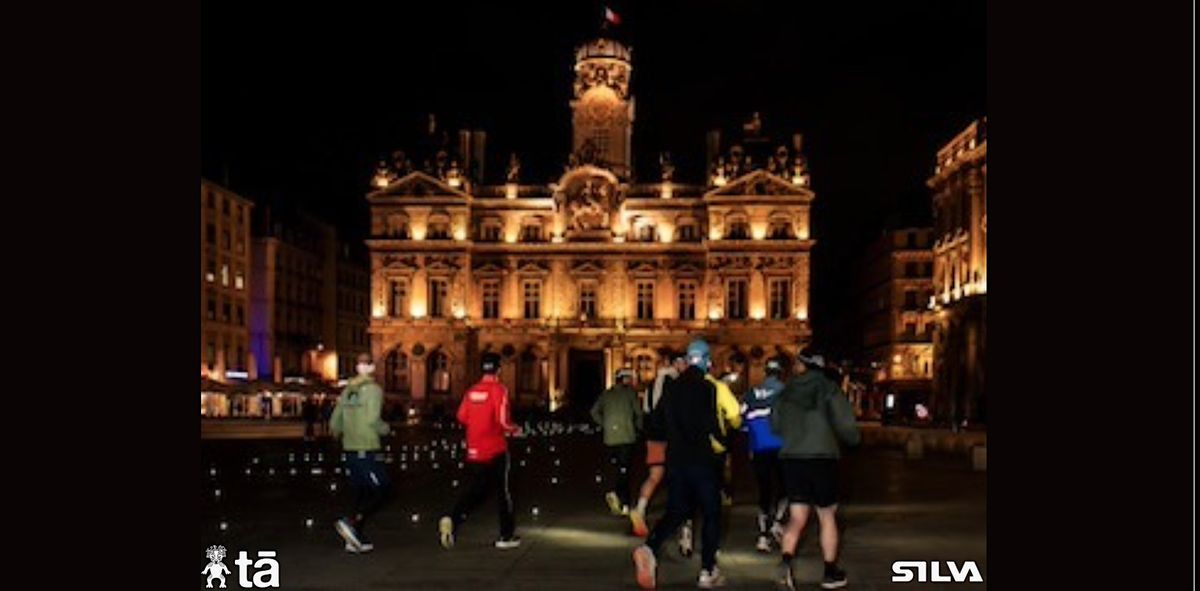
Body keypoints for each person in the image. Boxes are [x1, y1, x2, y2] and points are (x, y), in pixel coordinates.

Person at [632, 339, 739, 589]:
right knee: (711, 513)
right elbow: (716, 424)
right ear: (707, 362)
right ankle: (707, 570)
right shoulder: (709, 387)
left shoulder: (672, 388)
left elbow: (657, 422)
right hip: (703, 460)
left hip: (676, 460)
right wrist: (723, 444)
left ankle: (650, 547)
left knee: (676, 511)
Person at [771, 349, 861, 590]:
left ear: (802, 365)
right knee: (826, 515)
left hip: (792, 459)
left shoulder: (786, 391)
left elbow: (775, 425)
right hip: (823, 458)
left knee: (797, 516)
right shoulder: (829, 389)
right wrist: (852, 440)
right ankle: (830, 572)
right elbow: (846, 424)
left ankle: (785, 562)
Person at [439, 352, 522, 550]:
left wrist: (478, 422)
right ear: (498, 369)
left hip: (474, 450)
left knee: (477, 491)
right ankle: (506, 535)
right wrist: (515, 429)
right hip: (495, 449)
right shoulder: (499, 390)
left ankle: (453, 518)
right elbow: (503, 421)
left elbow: (461, 416)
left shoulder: (472, 391)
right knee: (502, 492)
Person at [331, 353, 392, 554]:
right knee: (383, 490)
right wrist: (386, 429)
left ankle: (353, 538)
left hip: (350, 448)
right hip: (367, 447)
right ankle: (351, 523)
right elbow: (373, 419)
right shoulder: (374, 390)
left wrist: (343, 433)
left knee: (360, 492)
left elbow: (335, 421)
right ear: (372, 368)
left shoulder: (347, 390)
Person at [630, 354, 687, 537]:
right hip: (671, 437)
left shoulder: (651, 385)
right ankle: (679, 518)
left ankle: (640, 508)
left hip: (653, 436)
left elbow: (646, 411)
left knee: (654, 476)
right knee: (679, 477)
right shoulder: (676, 383)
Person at [742, 358, 788, 552]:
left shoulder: (752, 393)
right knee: (785, 487)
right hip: (782, 446)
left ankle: (762, 534)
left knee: (764, 489)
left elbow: (742, 421)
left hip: (759, 446)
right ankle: (777, 521)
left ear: (765, 373)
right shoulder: (787, 392)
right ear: (781, 373)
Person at [592, 368, 644, 516]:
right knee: (625, 470)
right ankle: (624, 501)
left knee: (616, 468)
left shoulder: (606, 394)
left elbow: (594, 411)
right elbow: (638, 413)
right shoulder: (630, 393)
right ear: (624, 379)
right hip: (627, 437)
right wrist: (638, 428)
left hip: (610, 438)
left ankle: (616, 494)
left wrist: (604, 424)